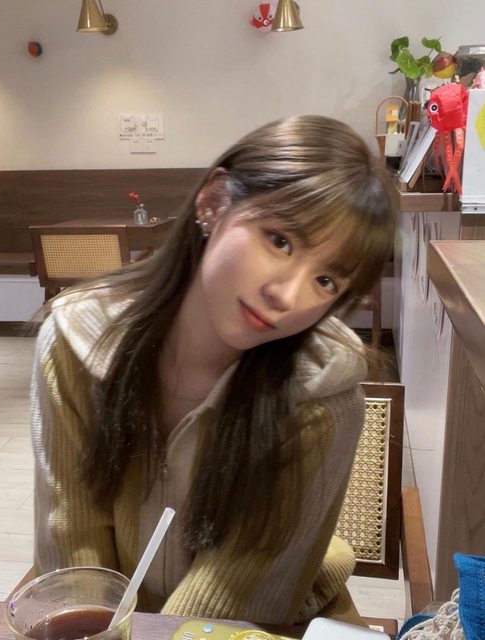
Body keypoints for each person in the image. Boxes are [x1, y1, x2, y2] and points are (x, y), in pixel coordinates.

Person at [31, 115, 396, 627]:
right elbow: (72, 532)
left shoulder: (323, 398)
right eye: (280, 241)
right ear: (213, 202)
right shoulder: (75, 343)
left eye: (326, 281)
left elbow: (245, 584)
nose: (287, 296)